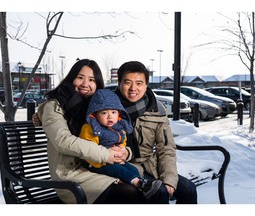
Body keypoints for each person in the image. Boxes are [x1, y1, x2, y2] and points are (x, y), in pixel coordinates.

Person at [34, 59, 146, 204]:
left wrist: (125, 152)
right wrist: (105, 154)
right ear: (71, 78)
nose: (85, 84)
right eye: (80, 77)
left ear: (97, 84)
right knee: (129, 193)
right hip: (72, 175)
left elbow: (114, 137)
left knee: (139, 190)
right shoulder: (54, 105)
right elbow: (62, 140)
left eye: (92, 80)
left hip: (98, 168)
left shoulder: (96, 109)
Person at [113, 61, 197, 204]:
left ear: (146, 85)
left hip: (151, 168)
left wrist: (169, 179)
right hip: (124, 169)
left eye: (139, 83)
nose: (133, 88)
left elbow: (166, 148)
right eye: (128, 82)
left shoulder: (157, 110)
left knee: (188, 188)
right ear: (119, 83)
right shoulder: (108, 109)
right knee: (158, 192)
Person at [79, 88, 162, 199]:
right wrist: (104, 159)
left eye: (113, 112)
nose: (110, 116)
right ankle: (139, 184)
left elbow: (122, 140)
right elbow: (89, 149)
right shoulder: (91, 128)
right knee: (119, 170)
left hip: (114, 160)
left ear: (118, 112)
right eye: (104, 113)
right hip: (97, 164)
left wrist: (121, 151)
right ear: (95, 114)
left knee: (133, 169)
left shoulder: (118, 126)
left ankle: (141, 186)